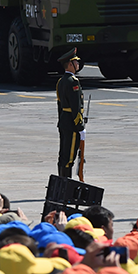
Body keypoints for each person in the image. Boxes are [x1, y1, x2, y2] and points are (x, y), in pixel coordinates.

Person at [56, 48, 85, 179]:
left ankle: (61, 183)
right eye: (75, 62)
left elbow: (60, 106)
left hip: (63, 122)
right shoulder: (73, 82)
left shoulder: (61, 81)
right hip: (72, 124)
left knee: (63, 154)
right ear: (69, 64)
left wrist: (61, 120)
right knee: (69, 156)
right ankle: (66, 184)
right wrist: (80, 126)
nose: (78, 64)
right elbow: (76, 107)